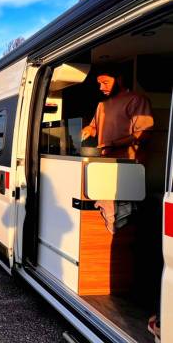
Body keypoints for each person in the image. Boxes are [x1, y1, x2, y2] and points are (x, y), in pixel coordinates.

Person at [81, 67, 158, 340]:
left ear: (120, 78)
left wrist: (112, 143)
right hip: (104, 171)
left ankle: (133, 290)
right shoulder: (102, 105)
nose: (101, 86)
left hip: (129, 174)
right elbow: (94, 127)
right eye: (99, 82)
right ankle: (108, 285)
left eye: (105, 81)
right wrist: (88, 130)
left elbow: (143, 135)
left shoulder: (137, 100)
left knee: (133, 237)